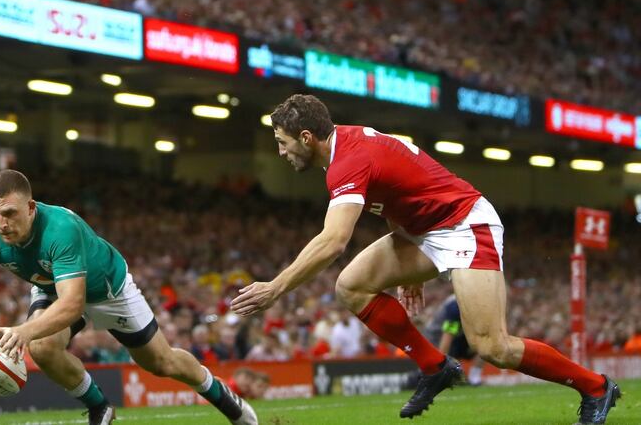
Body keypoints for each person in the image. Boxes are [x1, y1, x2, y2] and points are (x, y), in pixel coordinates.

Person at [231, 94, 621, 424]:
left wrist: (276, 288)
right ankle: (435, 366)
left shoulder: (347, 163)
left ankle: (597, 387)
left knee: (492, 347)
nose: (280, 151)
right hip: (422, 230)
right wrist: (409, 261)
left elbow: (333, 241)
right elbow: (396, 192)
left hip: (465, 225)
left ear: (306, 137)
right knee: (351, 287)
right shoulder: (346, 147)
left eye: (282, 142)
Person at [0, 170, 257, 425]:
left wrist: (24, 331)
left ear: (30, 207)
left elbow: (73, 304)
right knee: (42, 347)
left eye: (9, 213)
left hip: (108, 289)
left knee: (161, 363)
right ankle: (99, 406)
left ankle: (220, 394)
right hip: (52, 288)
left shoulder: (59, 228)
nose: (1, 224)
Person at [424, 294, 484, 386]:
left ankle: (474, 378)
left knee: (486, 345)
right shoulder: (455, 306)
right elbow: (447, 337)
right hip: (437, 338)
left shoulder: (478, 304)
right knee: (448, 375)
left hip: (457, 336)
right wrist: (441, 369)